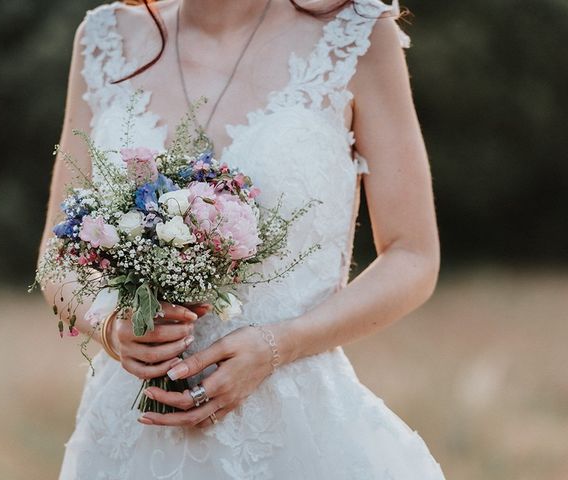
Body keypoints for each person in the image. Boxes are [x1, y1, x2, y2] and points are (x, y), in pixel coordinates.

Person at [38, 0, 446, 478]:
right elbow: (57, 253)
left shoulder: (356, 35)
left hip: (294, 431)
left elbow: (413, 256)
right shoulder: (104, 38)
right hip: (130, 435)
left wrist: (280, 344)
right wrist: (110, 327)